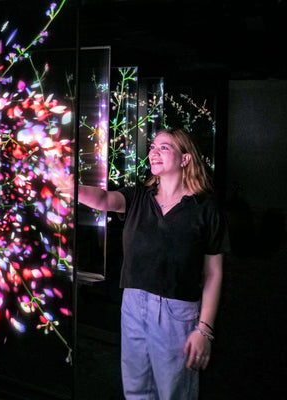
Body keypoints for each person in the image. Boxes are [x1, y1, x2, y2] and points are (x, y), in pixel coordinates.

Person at [72, 128, 229, 399]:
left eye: (164, 147)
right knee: (136, 390)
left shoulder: (205, 209)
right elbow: (103, 199)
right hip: (132, 305)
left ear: (185, 159)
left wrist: (204, 329)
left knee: (174, 392)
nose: (154, 152)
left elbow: (213, 274)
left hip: (177, 313)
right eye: (153, 147)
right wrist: (69, 186)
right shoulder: (138, 198)